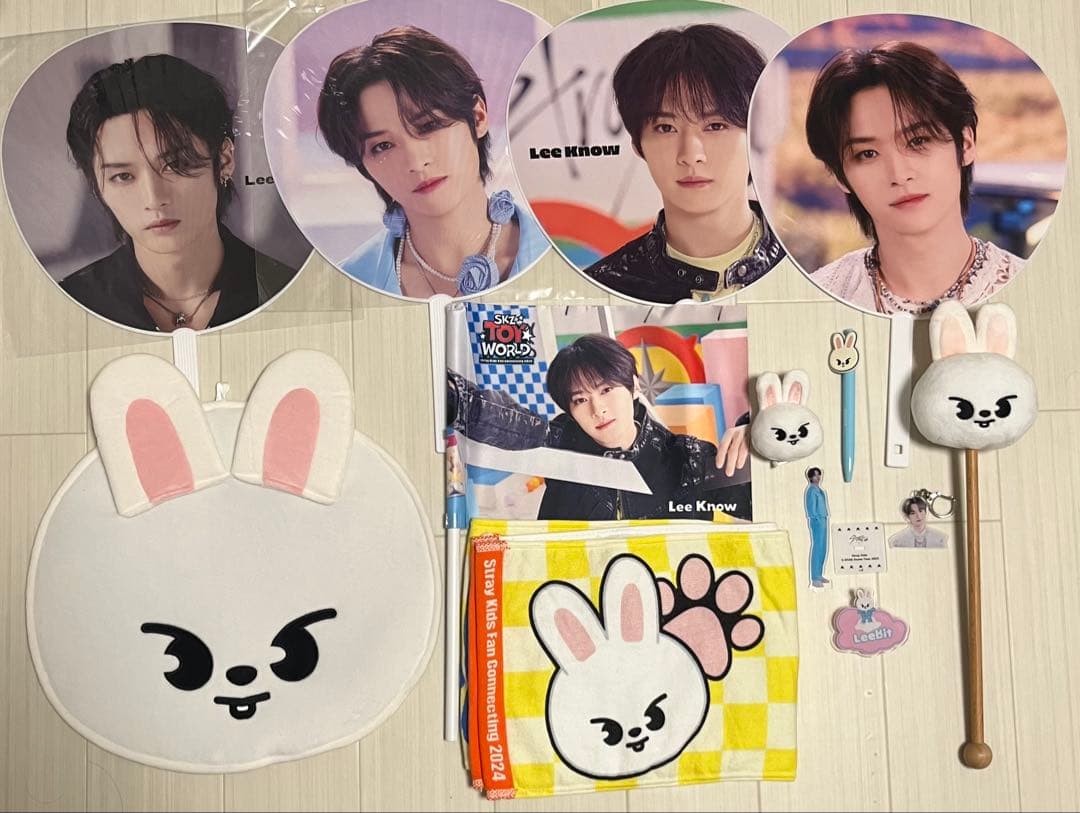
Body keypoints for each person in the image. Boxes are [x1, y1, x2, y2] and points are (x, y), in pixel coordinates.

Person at [62, 54, 299, 332]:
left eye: (175, 165)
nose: (154, 199)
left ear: (224, 160)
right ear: (96, 186)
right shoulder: (70, 306)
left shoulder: (287, 291)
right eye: (123, 176)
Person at [317, 26, 547, 298]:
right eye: (382, 146)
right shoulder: (349, 285)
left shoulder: (559, 254)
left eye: (428, 125)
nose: (416, 162)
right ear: (363, 164)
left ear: (478, 118)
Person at [804, 41, 1024, 315]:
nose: (899, 175)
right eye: (868, 154)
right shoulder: (819, 299)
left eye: (918, 140)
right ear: (841, 176)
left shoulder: (1034, 288)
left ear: (965, 144)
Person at [447, 334, 751, 521]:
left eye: (606, 390)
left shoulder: (688, 458)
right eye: (581, 400)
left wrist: (756, 434)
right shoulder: (561, 443)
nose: (598, 409)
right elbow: (502, 418)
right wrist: (451, 397)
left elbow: (760, 500)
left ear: (633, 387)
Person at [583, 24, 784, 304]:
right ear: (638, 145)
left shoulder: (806, 267)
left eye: (715, 125)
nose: (691, 154)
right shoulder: (602, 287)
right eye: (666, 128)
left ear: (754, 133)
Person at [804, 467, 830, 587]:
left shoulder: (819, 490)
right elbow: (811, 506)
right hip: (817, 520)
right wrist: (815, 518)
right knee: (817, 547)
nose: (818, 477)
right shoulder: (811, 490)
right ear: (810, 477)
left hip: (823, 518)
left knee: (823, 547)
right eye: (815, 475)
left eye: (819, 475)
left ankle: (819, 574)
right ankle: (814, 578)